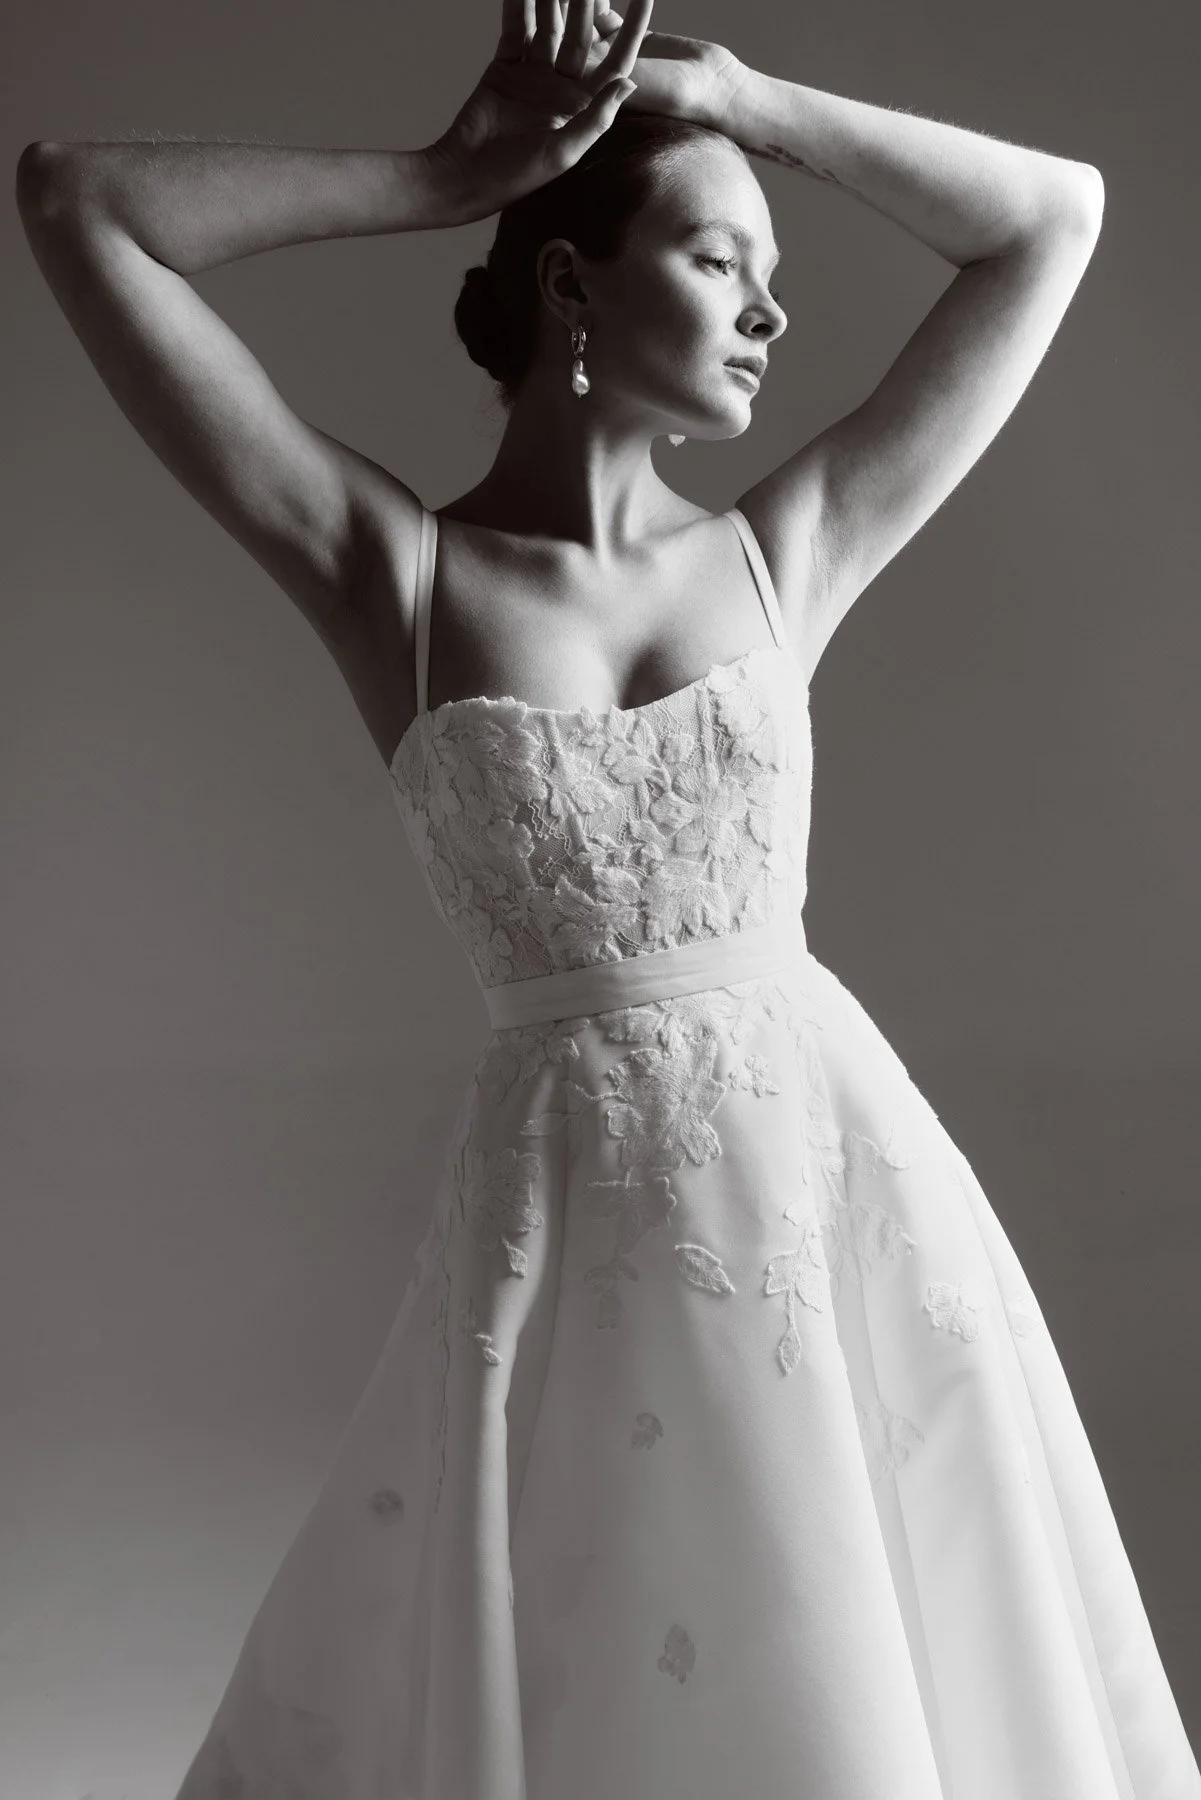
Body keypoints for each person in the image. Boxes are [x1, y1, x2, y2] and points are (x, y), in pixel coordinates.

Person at [17, 1, 1199, 1795]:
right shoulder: (395, 578)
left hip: (829, 1202)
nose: (769, 313)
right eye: (721, 257)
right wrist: (447, 176)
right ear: (573, 288)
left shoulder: (784, 551)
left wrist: (746, 104)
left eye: (771, 265)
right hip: (563, 1239)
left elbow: (1056, 217)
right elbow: (74, 202)